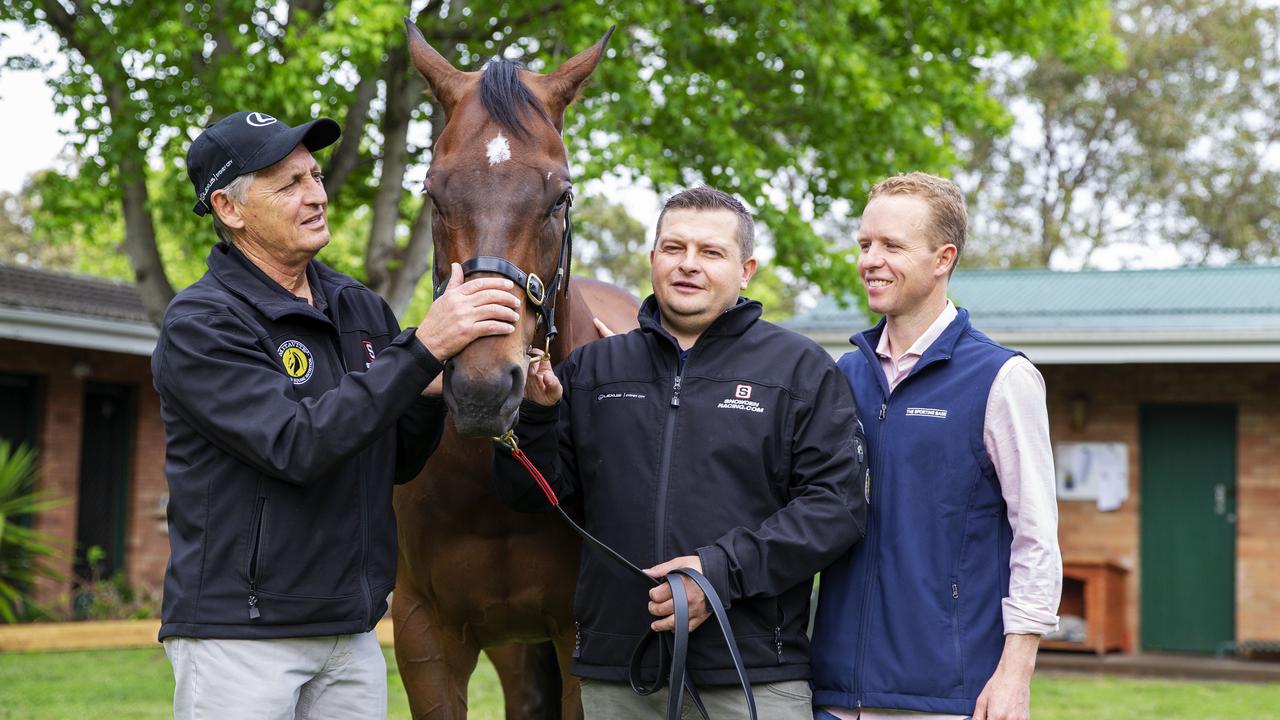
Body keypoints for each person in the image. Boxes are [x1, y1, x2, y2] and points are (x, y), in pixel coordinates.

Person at [153, 110, 522, 719]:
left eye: (316, 176)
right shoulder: (202, 324)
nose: (316, 195)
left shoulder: (359, 306)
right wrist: (420, 352)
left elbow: (398, 461)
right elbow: (297, 445)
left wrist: (426, 391)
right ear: (229, 208)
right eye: (289, 184)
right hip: (241, 636)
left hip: (351, 634)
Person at [491, 186, 868, 718]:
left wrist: (718, 573)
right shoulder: (592, 370)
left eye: (711, 252)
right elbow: (528, 497)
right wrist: (535, 415)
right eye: (673, 248)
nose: (688, 265)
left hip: (751, 675)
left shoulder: (800, 370)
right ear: (652, 259)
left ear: (746, 269)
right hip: (619, 678)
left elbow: (838, 509)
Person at [810, 172, 1062, 720]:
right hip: (834, 692)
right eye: (865, 244)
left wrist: (1016, 672)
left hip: (949, 696)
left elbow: (1036, 536)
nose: (870, 260)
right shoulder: (844, 375)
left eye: (892, 246)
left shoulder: (1002, 378)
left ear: (943, 258)